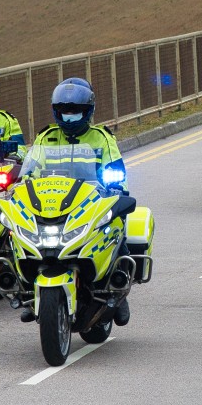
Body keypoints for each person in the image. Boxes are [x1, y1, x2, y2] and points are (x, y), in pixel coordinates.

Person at [23, 78, 131, 325]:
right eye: (64, 113)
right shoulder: (45, 138)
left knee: (116, 232)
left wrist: (116, 188)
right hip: (51, 203)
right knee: (20, 235)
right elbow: (30, 171)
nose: (69, 118)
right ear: (55, 111)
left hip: (90, 202)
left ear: (89, 111)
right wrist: (21, 184)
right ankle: (30, 292)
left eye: (76, 113)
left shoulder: (101, 139)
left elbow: (116, 172)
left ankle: (120, 290)